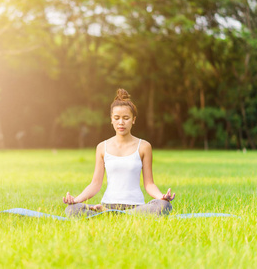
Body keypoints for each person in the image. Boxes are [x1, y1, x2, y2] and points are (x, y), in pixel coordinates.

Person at [63, 89, 175, 218]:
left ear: (133, 120)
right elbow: (95, 184)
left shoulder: (144, 146)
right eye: (117, 118)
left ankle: (110, 214)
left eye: (126, 118)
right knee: (71, 210)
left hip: (136, 206)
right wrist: (76, 200)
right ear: (111, 119)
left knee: (164, 206)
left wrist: (162, 197)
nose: (121, 122)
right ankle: (111, 212)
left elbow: (149, 184)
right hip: (109, 203)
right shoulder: (102, 147)